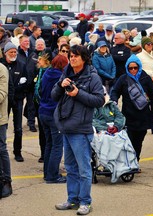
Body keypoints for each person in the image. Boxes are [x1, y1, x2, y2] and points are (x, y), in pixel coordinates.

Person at [52, 45, 104, 215]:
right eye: (71, 55)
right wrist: (61, 84)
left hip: (81, 130)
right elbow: (53, 95)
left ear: (84, 58)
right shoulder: (66, 72)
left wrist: (78, 93)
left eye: (75, 56)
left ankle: (85, 202)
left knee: (84, 169)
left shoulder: (92, 77)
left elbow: (99, 100)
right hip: (66, 127)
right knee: (70, 168)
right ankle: (72, 200)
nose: (72, 58)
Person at [110, 54, 153, 162]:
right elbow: (115, 91)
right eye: (130, 68)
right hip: (128, 115)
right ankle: (129, 162)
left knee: (139, 141)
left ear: (139, 67)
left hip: (143, 116)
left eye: (135, 68)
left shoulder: (145, 78)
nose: (133, 70)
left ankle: (136, 160)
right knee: (129, 141)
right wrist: (114, 100)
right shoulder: (123, 78)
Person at [39, 55, 68, 184]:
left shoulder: (46, 74)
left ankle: (47, 173)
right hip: (53, 113)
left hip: (42, 111)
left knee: (49, 144)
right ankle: (53, 176)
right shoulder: (61, 78)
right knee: (57, 145)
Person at [137, 37, 153, 135]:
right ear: (143, 45)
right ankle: (143, 125)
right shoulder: (139, 56)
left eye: (151, 44)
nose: (150, 46)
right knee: (143, 106)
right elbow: (138, 70)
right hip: (143, 84)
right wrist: (150, 73)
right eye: (148, 44)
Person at [0, 61, 12, 198]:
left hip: (0, 118)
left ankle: (7, 182)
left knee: (1, 149)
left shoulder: (2, 69)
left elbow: (2, 94)